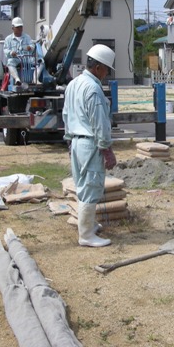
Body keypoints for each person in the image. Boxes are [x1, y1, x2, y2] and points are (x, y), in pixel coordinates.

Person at [62, 44, 117, 248]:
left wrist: (69, 141)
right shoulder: (93, 89)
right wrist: (107, 149)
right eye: (106, 70)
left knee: (82, 185)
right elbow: (99, 122)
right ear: (98, 67)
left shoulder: (73, 84)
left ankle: (89, 225)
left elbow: (66, 115)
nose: (106, 74)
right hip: (90, 143)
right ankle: (86, 235)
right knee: (91, 187)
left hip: (76, 142)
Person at [3, 17, 34, 86]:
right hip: (16, 59)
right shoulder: (8, 39)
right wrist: (11, 53)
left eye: (21, 27)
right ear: (13, 28)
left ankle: (35, 79)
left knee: (40, 61)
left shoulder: (27, 37)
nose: (19, 29)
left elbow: (32, 45)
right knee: (10, 62)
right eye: (17, 27)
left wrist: (30, 47)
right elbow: (5, 50)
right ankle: (17, 79)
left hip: (27, 58)